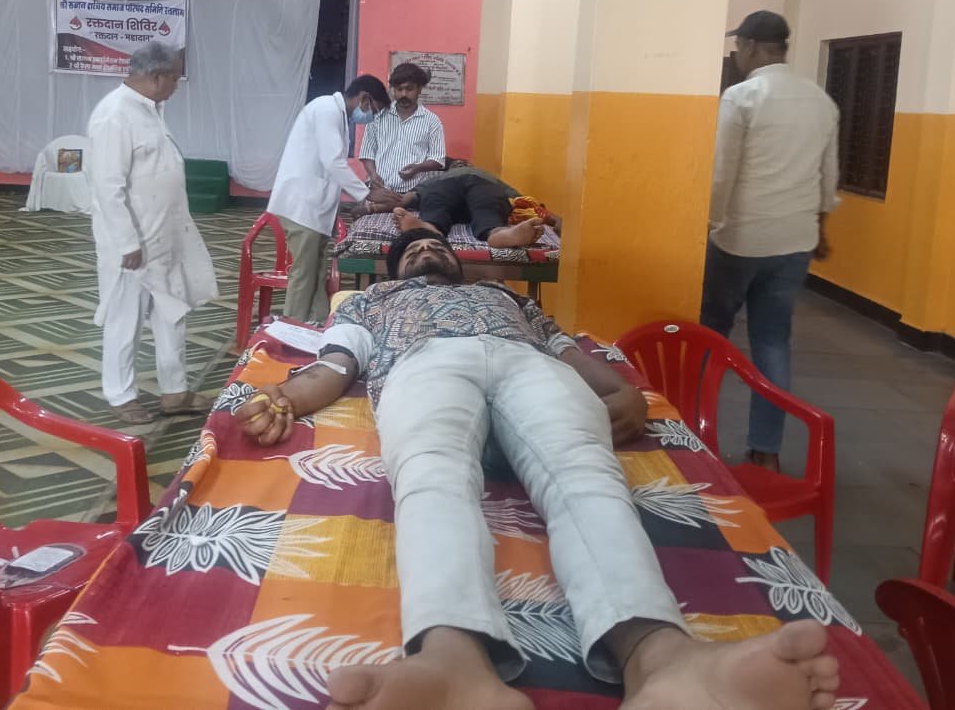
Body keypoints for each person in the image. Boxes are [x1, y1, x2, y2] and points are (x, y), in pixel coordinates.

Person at [236, 230, 839, 710]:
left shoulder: (508, 298)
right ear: (395, 272)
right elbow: (336, 367)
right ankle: (453, 663)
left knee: (586, 474)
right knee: (430, 475)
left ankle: (662, 659)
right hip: (422, 364)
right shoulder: (371, 302)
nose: (424, 252)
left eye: (435, 246)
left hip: (527, 365)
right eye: (412, 251)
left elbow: (568, 352)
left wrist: (625, 392)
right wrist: (284, 400)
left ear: (458, 262)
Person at [703, 10, 840, 473]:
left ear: (750, 45)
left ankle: (694, 436)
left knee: (710, 337)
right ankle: (766, 451)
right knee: (773, 342)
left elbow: (722, 172)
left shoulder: (742, 97)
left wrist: (710, 223)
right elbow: (828, 177)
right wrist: (820, 228)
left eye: (738, 47)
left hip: (739, 239)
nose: (737, 55)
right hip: (794, 240)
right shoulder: (820, 101)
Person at [87, 41, 217, 424]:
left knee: (172, 314)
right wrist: (127, 242)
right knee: (124, 319)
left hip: (164, 238)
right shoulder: (114, 114)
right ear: (156, 76)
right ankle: (120, 394)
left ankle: (175, 392)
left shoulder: (152, 110)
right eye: (175, 78)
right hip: (132, 246)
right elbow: (107, 187)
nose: (177, 85)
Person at [267, 76, 399, 325]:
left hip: (313, 208)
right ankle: (291, 330)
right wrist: (366, 194)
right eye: (373, 110)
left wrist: (365, 192)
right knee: (304, 274)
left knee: (317, 273)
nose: (371, 117)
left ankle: (318, 323)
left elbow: (330, 163)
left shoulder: (337, 115)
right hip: (301, 206)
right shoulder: (326, 108)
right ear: (364, 98)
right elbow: (333, 162)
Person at [364, 161, 555, 249]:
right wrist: (553, 219)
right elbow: (522, 201)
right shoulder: (485, 174)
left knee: (436, 203)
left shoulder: (438, 178)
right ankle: (497, 232)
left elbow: (404, 200)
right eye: (459, 163)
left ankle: (429, 227)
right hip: (482, 185)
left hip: (446, 187)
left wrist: (371, 208)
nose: (461, 164)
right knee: (487, 209)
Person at [359, 62, 446, 193]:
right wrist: (373, 175)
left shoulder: (432, 121)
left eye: (409, 89)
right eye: (399, 89)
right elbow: (367, 153)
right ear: (394, 90)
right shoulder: (378, 117)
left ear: (419, 89)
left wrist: (418, 168)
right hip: (380, 190)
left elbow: (437, 159)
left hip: (413, 193)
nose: (404, 94)